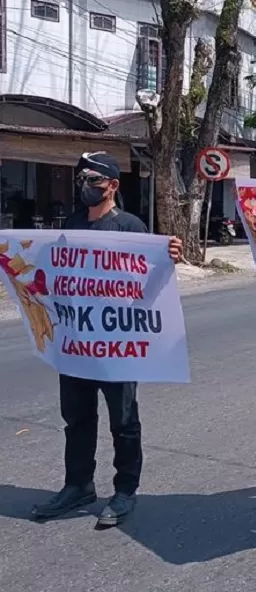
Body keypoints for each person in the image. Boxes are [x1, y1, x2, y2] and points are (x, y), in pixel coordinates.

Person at [30, 151, 183, 528]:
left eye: (93, 180)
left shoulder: (130, 227)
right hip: (77, 344)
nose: (85, 186)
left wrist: (169, 258)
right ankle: (77, 484)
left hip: (116, 347)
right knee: (77, 418)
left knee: (123, 421)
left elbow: (150, 282)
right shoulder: (74, 223)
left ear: (112, 185)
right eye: (82, 179)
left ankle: (125, 490)